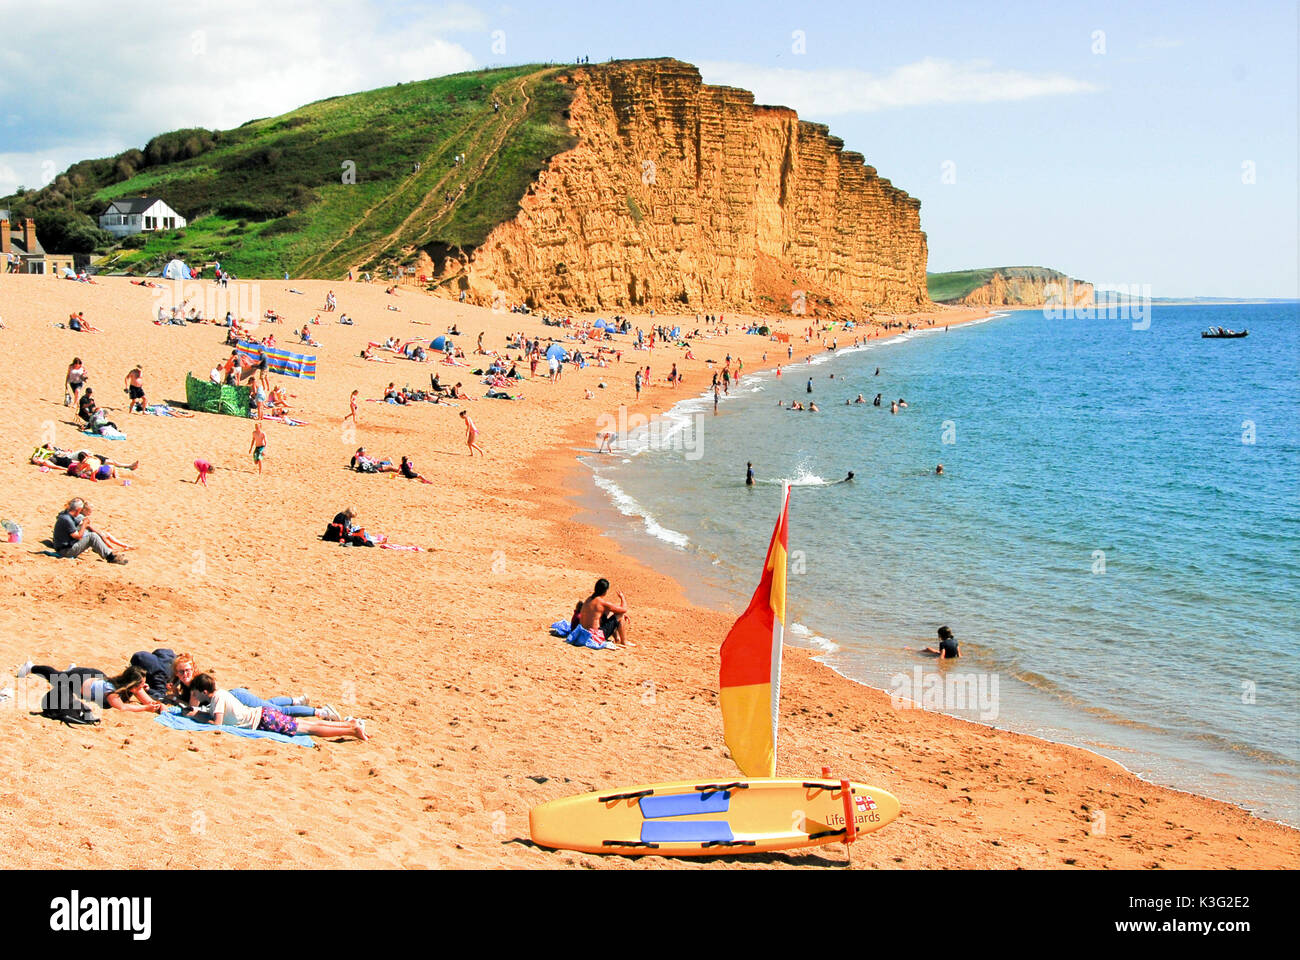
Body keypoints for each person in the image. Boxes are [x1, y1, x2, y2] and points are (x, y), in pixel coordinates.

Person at [186, 673, 368, 741]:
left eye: (196, 692)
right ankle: (350, 727)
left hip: (263, 720)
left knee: (310, 729)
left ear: (203, 690)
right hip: (263, 716)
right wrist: (196, 714)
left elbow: (217, 724)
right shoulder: (220, 695)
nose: (194, 696)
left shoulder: (217, 698)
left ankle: (352, 730)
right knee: (308, 727)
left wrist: (198, 718)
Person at [169, 654, 341, 719]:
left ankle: (321, 712)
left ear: (193, 668)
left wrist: (176, 698)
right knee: (267, 704)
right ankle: (296, 701)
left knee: (279, 712)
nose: (185, 674)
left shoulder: (195, 685)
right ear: (176, 673)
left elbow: (193, 708)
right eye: (181, 671)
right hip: (236, 699)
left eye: (188, 670)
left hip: (237, 699)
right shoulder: (183, 684)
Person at [17, 663, 162, 713]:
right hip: (79, 680)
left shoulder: (125, 684)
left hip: (96, 676)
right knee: (56, 676)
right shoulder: (112, 693)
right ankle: (31, 667)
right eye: (140, 684)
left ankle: (71, 670)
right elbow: (122, 708)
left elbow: (146, 701)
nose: (143, 686)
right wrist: (145, 708)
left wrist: (152, 704)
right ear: (132, 685)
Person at [53, 498, 128, 564]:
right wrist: (84, 524)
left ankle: (107, 552)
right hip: (65, 551)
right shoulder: (67, 519)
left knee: (91, 534)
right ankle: (110, 557)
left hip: (63, 546)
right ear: (78, 510)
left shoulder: (66, 515)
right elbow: (78, 536)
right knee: (92, 536)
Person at [576, 578, 631, 647]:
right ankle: (624, 641)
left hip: (583, 633)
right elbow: (624, 609)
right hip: (594, 636)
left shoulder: (589, 599)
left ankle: (617, 638)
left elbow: (604, 612)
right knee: (620, 615)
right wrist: (622, 598)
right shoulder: (601, 603)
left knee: (608, 613)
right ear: (605, 591)